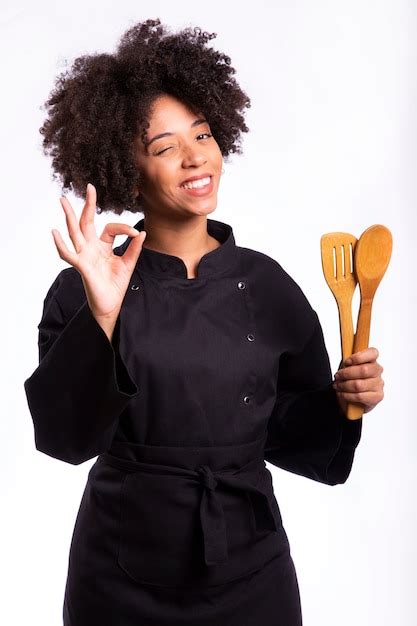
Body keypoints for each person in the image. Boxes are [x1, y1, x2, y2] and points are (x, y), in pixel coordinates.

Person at [23, 18, 384, 626]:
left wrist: (346, 400)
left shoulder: (267, 285)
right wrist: (103, 315)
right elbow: (64, 438)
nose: (196, 158)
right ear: (125, 170)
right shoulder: (83, 289)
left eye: (204, 134)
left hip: (252, 562)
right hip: (120, 567)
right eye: (164, 148)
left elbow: (298, 433)